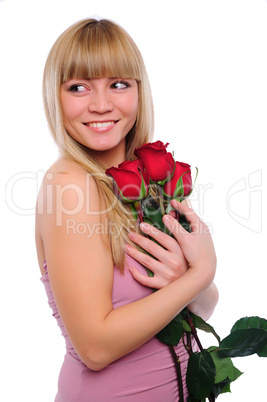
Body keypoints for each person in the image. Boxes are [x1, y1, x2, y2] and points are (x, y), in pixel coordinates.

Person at [35, 18, 218, 401]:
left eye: (118, 84)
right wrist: (198, 273)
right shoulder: (70, 185)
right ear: (56, 96)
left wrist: (188, 277)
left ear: (138, 90)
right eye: (79, 87)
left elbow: (203, 305)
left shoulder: (146, 181)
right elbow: (96, 348)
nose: (101, 104)